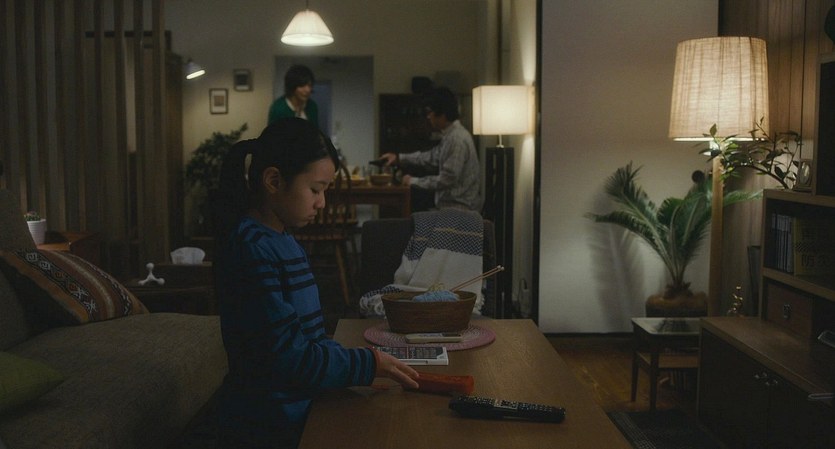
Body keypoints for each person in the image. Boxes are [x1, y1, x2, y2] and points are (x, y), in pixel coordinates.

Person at [212, 117, 419, 448]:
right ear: (274, 181)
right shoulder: (252, 249)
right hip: (270, 421)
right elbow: (287, 360)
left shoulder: (285, 241)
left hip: (298, 399)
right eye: (315, 190)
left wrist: (356, 367)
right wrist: (367, 364)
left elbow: (309, 341)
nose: (321, 203)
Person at [380, 87, 482, 212]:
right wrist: (399, 158)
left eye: (430, 112)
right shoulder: (450, 135)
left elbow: (446, 179)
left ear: (442, 113)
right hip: (450, 207)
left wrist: (413, 181)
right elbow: (432, 157)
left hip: (458, 211)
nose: (428, 117)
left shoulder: (456, 139)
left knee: (414, 217)